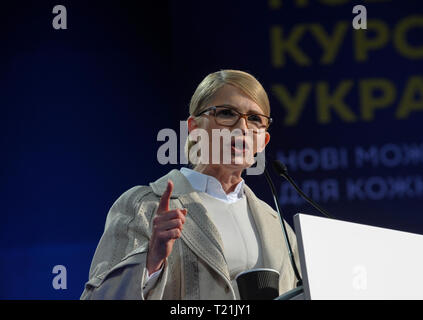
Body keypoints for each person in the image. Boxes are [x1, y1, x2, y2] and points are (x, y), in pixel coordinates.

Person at [80, 69, 300, 300]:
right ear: (194, 128)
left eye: (255, 118)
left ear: (262, 141)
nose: (243, 128)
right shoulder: (143, 207)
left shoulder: (279, 228)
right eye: (226, 113)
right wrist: (150, 262)